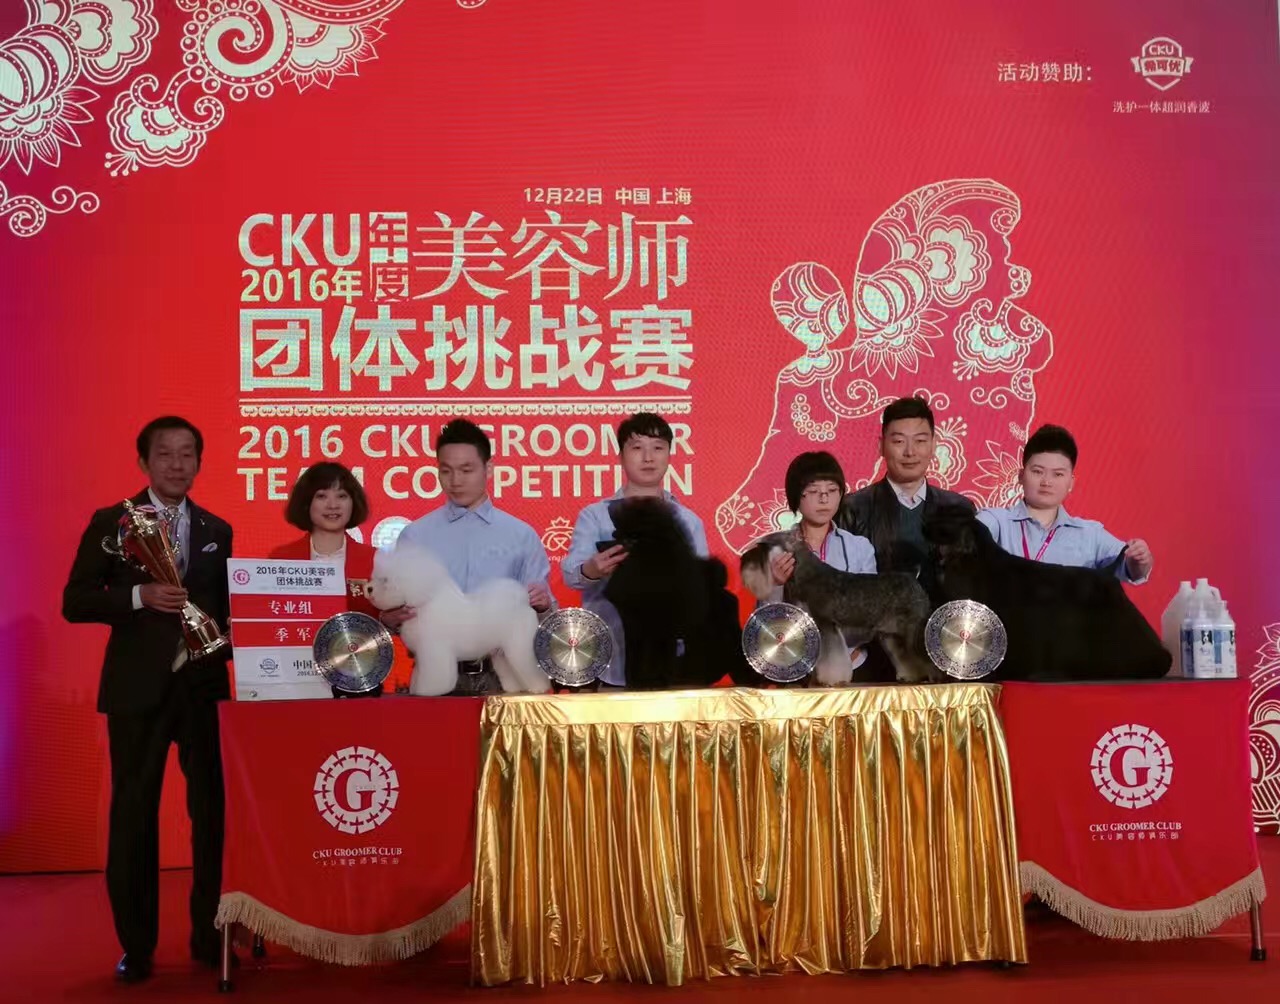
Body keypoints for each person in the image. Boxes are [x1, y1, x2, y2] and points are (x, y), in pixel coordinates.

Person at [62, 417, 233, 983]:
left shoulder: (217, 528)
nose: (177, 464)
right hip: (137, 691)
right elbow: (76, 600)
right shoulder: (112, 522)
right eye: (165, 454)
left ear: (199, 462)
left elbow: (226, 610)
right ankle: (136, 946)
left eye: (187, 454)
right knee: (134, 814)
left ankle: (210, 937)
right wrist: (139, 596)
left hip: (204, 689)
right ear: (144, 462)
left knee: (212, 814)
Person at [386, 419, 553, 695]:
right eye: (446, 471)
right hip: (435, 676)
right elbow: (396, 614)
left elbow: (545, 617)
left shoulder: (521, 534)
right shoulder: (415, 536)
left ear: (489, 468)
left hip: (504, 678)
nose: (455, 481)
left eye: (466, 470)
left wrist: (544, 605)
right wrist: (390, 618)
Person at [562, 412, 708, 688]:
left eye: (658, 448)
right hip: (609, 663)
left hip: (674, 666)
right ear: (621, 456)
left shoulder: (689, 521)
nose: (648, 457)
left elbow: (703, 593)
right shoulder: (596, 516)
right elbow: (571, 574)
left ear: (669, 455)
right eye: (637, 447)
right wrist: (591, 569)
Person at [269, 462, 409, 696]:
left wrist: (389, 620)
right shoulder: (280, 559)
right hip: (293, 678)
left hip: (360, 678)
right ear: (306, 503)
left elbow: (394, 620)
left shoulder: (377, 560)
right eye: (321, 496)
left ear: (353, 503)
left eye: (342, 496)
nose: (332, 505)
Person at [976, 424, 1153, 582]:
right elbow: (968, 536)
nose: (1047, 482)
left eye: (1058, 474)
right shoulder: (997, 522)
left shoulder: (1090, 535)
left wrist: (1139, 560)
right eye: (1037, 471)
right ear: (1021, 476)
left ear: (1071, 483)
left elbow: (1131, 570)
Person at [836, 396, 973, 598]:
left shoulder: (959, 509)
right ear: (881, 446)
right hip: (875, 615)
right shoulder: (852, 509)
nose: (910, 452)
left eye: (920, 441)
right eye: (899, 441)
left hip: (943, 617)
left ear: (934, 445)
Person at [765, 451, 878, 674]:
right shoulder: (776, 549)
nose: (824, 499)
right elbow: (765, 624)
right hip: (794, 667)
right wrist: (775, 584)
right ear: (796, 496)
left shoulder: (859, 547)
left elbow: (870, 613)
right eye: (813, 491)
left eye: (832, 490)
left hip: (853, 666)